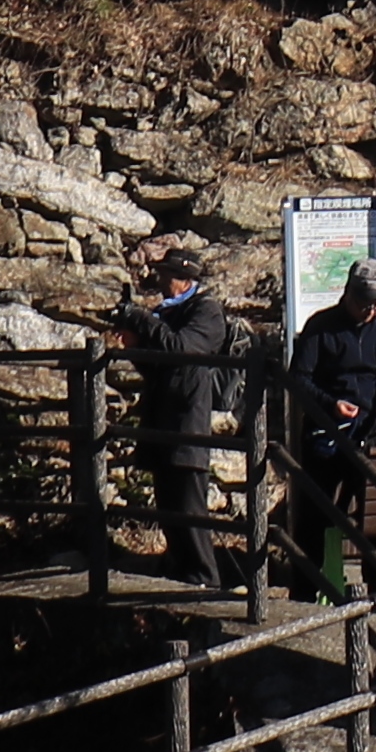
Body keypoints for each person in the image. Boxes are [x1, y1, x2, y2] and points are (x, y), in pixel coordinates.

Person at [124, 235, 246, 592]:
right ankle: (181, 570)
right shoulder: (169, 314)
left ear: (184, 278)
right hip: (163, 418)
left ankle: (205, 578)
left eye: (166, 275)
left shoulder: (205, 312)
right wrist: (135, 345)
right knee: (168, 505)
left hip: (188, 420)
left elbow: (182, 351)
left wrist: (143, 321)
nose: (160, 282)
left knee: (190, 507)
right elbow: (158, 368)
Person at [289, 254, 376, 596]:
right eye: (364, 304)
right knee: (315, 515)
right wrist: (331, 405)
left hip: (369, 431)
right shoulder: (320, 327)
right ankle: (305, 591)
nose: (370, 311)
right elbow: (298, 380)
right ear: (348, 295)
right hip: (326, 433)